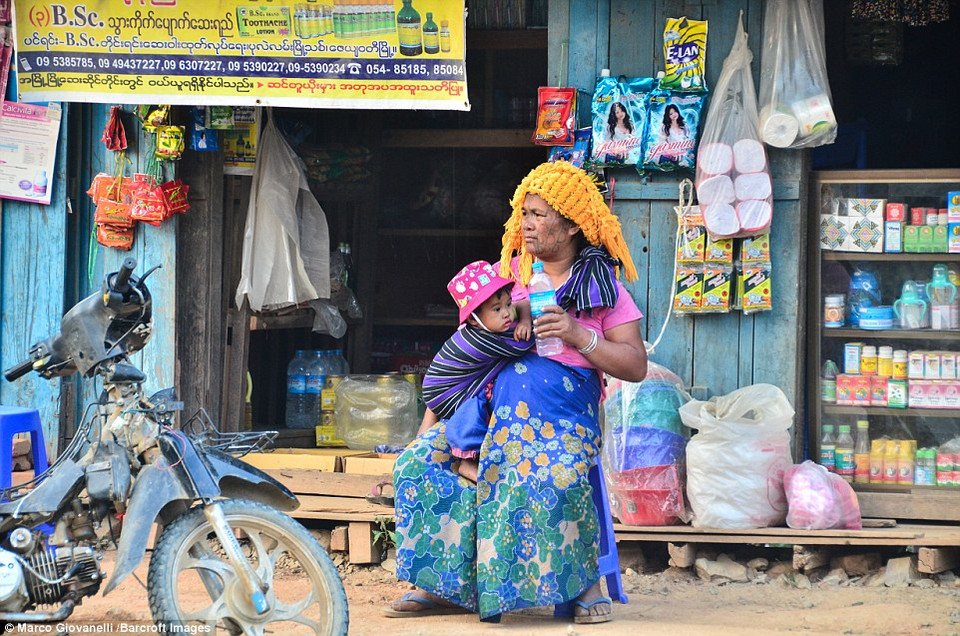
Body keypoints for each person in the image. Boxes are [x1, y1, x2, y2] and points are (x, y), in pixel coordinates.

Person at [385, 161, 648, 624]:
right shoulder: (505, 279)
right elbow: (462, 356)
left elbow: (635, 365)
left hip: (560, 416)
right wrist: (428, 428)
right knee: (418, 464)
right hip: (488, 414)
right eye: (523, 211)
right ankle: (444, 584)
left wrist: (577, 335)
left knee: (547, 473)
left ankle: (581, 584)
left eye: (538, 214)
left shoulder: (603, 286)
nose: (524, 223)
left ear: (570, 226)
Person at [420, 260, 533, 482]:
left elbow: (522, 305)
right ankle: (468, 461)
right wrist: (529, 325)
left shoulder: (485, 326)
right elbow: (524, 345)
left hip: (455, 381)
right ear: (473, 318)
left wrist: (525, 318)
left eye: (508, 304)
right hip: (444, 393)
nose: (508, 314)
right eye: (497, 309)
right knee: (480, 401)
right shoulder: (480, 340)